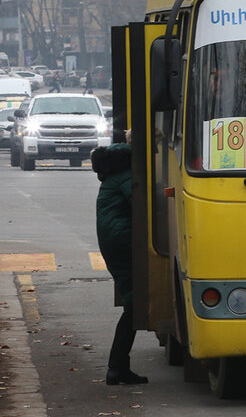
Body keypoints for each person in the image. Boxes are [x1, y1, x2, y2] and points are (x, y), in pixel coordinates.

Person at [92, 140, 148, 386]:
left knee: (132, 303)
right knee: (133, 305)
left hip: (114, 243)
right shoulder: (125, 176)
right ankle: (116, 367)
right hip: (123, 242)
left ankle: (118, 368)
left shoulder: (111, 177)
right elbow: (141, 204)